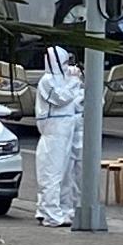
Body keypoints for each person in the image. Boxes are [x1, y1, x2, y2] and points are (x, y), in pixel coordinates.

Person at [34, 46, 82, 227]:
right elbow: (60, 98)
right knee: (52, 173)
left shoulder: (65, 79)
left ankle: (62, 208)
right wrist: (74, 83)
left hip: (66, 129)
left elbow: (75, 100)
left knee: (66, 172)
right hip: (53, 130)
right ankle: (50, 212)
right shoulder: (47, 81)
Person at [60, 56, 85, 225]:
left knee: (80, 174)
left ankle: (79, 207)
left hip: (81, 135)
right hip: (69, 135)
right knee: (67, 175)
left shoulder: (83, 88)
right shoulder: (64, 86)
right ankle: (67, 207)